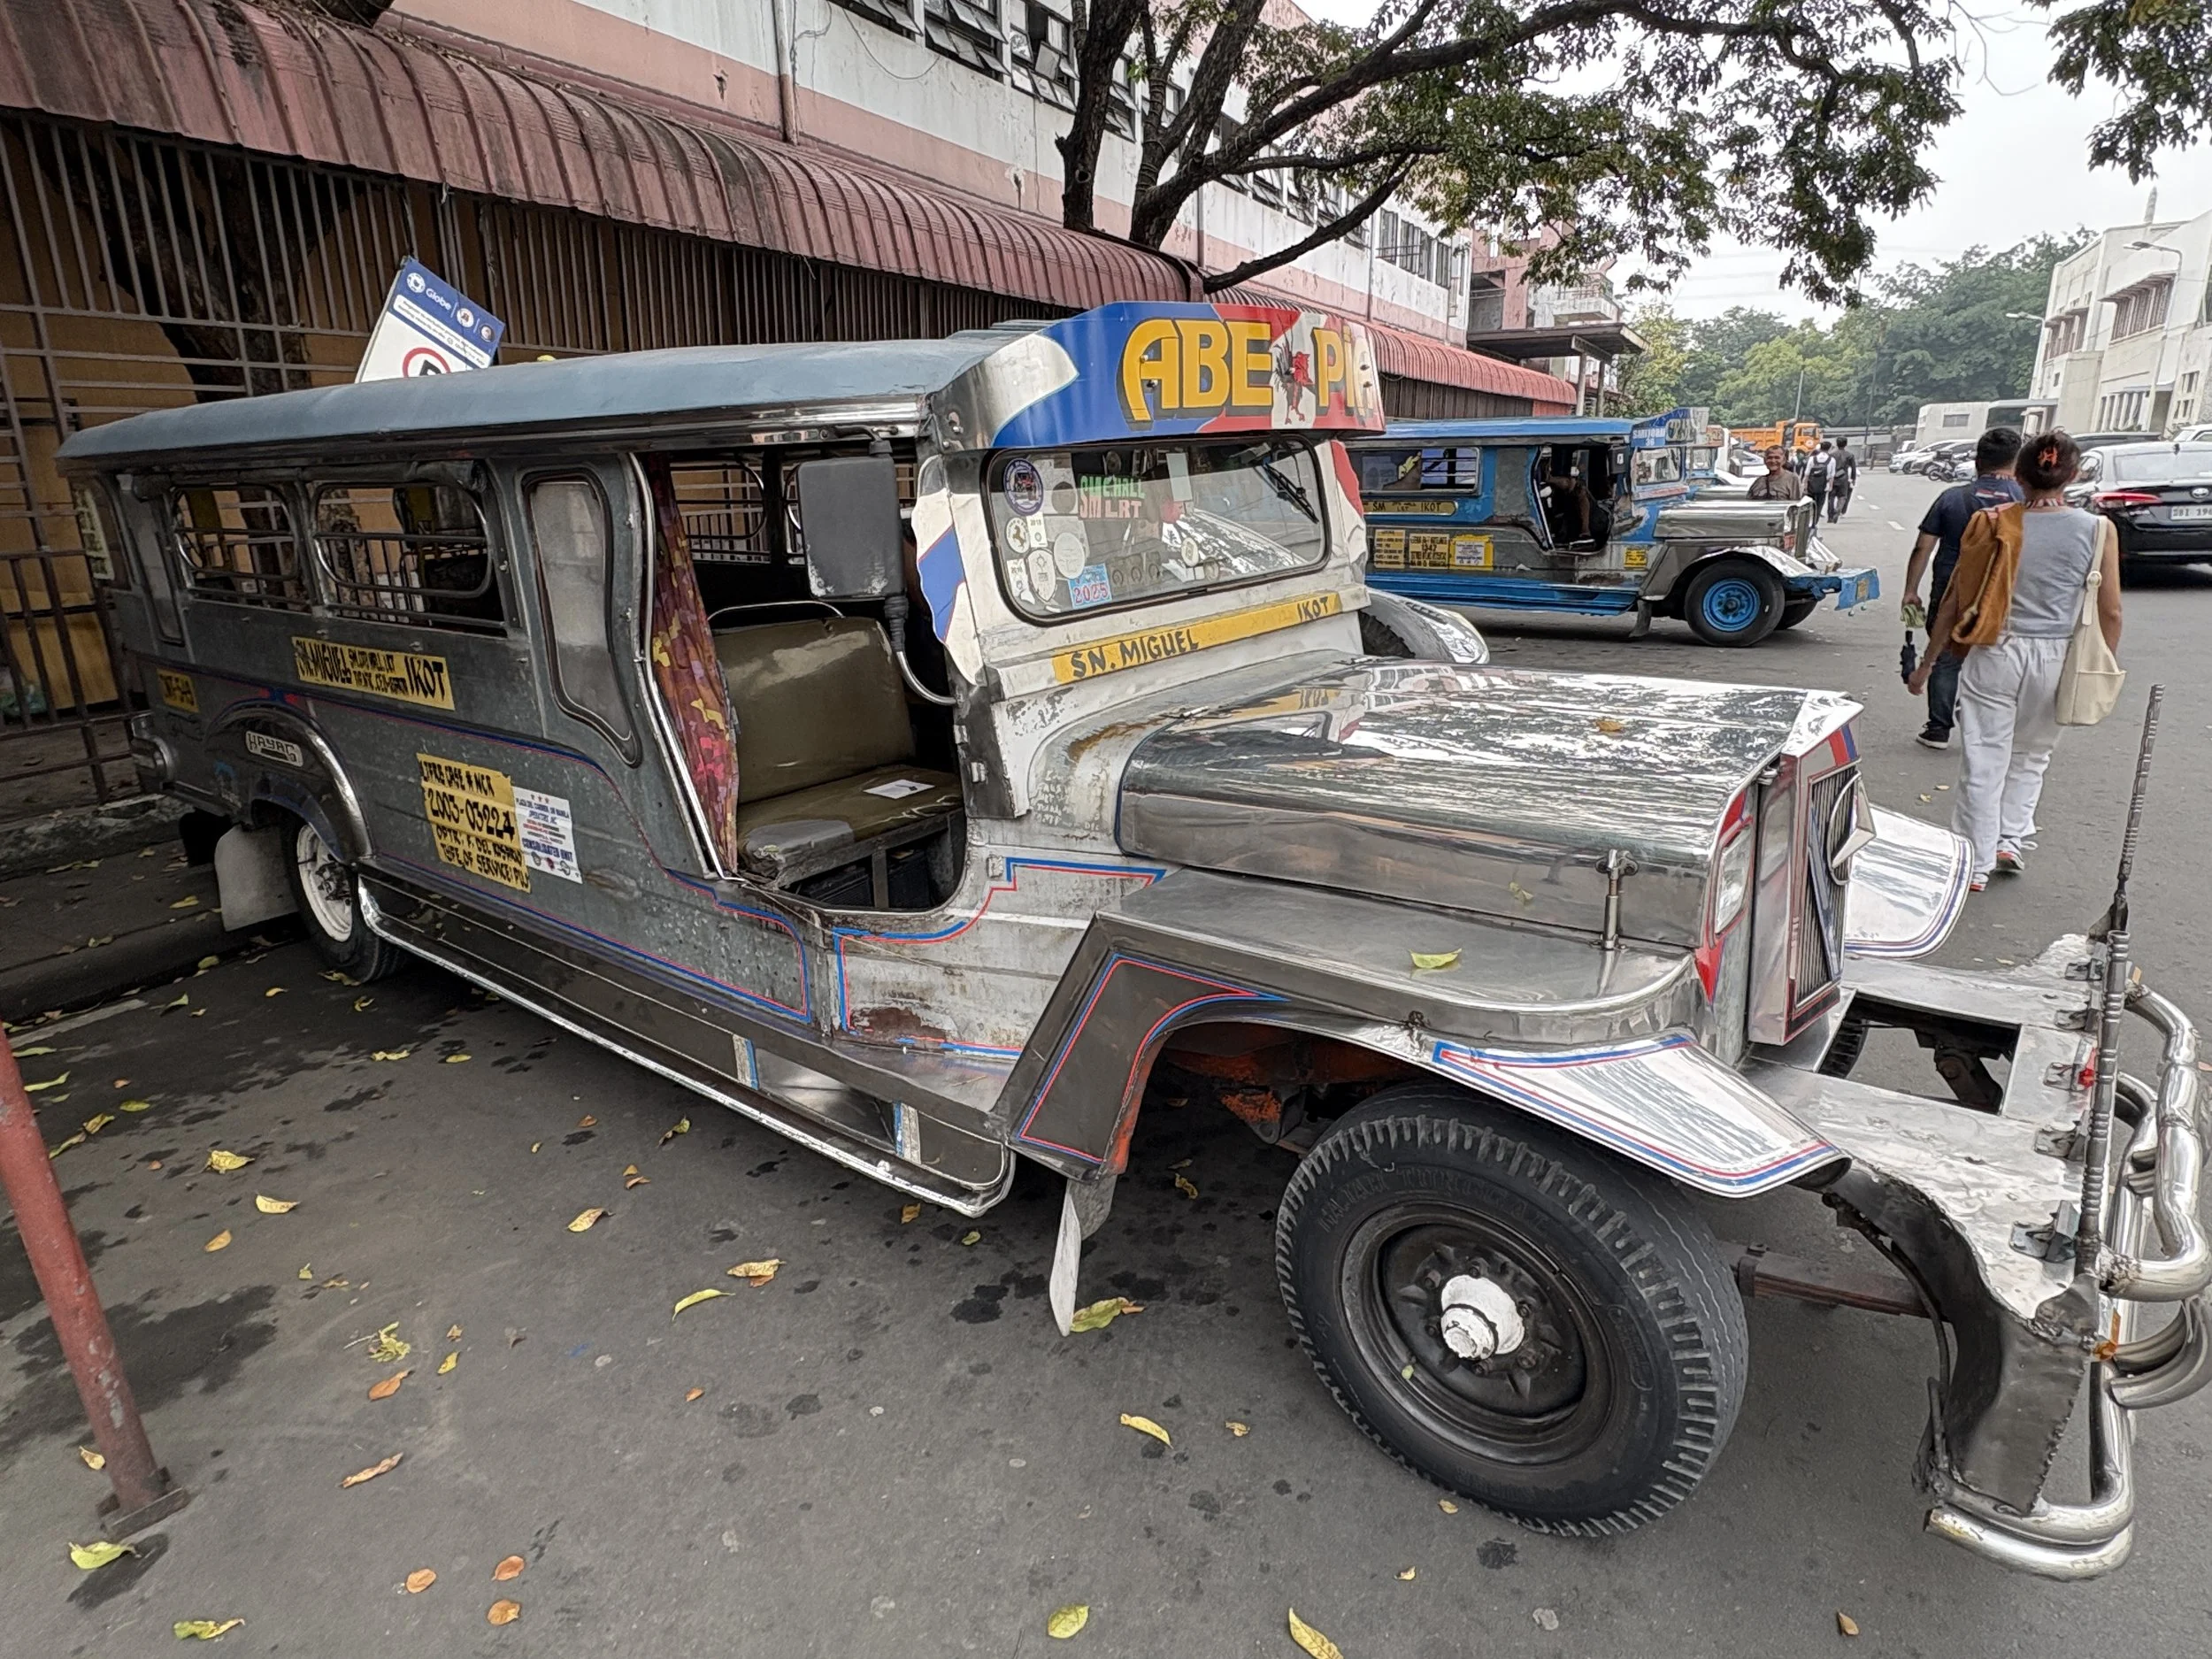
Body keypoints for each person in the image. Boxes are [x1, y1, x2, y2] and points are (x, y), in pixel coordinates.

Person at [1906, 429, 2122, 891]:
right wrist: (2099, 666)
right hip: (2059, 655)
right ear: (2075, 474)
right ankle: (2010, 840)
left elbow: (1954, 600)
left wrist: (1928, 662)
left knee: (1985, 758)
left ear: (2019, 475)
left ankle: (1975, 863)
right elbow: (2111, 610)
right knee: (2032, 755)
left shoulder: (1990, 522)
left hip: (1995, 651)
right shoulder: (2099, 529)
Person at [1899, 426, 2024, 749]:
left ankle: (1938, 728)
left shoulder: (1952, 498)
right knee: (1993, 653)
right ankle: (1980, 720)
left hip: (1951, 586)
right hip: (2004, 590)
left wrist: (1911, 590)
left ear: (1978, 460)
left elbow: (1922, 548)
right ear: (2016, 462)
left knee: (1947, 653)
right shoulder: (2024, 503)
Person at [1803, 440, 1839, 520]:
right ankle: (1815, 520)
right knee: (1820, 504)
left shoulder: (1812, 458)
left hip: (1811, 485)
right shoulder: (1832, 460)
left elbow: (1807, 473)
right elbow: (1832, 475)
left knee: (1810, 502)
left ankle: (1809, 519)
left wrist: (1805, 484)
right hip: (1824, 486)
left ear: (1820, 448)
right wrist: (1830, 486)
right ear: (1829, 449)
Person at [1826, 438, 1858, 521]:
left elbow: (1828, 467)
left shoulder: (1832, 455)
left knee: (1831, 497)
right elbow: (1853, 468)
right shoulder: (1850, 455)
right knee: (1843, 496)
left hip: (1833, 477)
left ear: (1837, 444)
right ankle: (1838, 510)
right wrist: (1853, 479)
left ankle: (1830, 515)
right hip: (1844, 478)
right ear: (1846, 444)